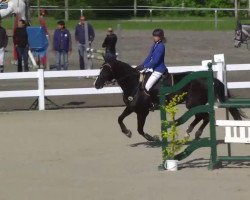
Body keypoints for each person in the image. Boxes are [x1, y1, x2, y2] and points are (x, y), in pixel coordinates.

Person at [138, 28, 167, 109]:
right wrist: (142, 65)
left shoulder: (161, 46)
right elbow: (149, 57)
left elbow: (156, 60)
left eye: (156, 36)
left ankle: (154, 103)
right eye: (154, 36)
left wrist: (146, 66)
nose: (154, 37)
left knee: (147, 86)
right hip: (153, 68)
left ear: (160, 37)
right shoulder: (154, 45)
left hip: (159, 69)